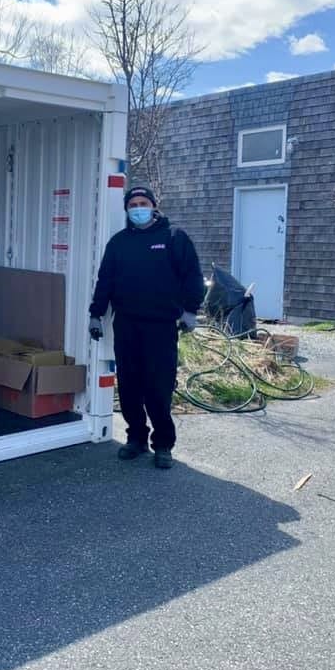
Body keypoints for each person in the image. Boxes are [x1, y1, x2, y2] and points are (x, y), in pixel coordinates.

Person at [88, 185, 203, 469]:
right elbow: (106, 281)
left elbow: (192, 276)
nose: (138, 208)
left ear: (153, 206)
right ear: (127, 210)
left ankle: (163, 444)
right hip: (126, 324)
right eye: (132, 204)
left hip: (161, 327)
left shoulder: (174, 237)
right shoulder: (119, 243)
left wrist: (190, 310)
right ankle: (136, 438)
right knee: (128, 385)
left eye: (143, 202)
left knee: (158, 386)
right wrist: (96, 313)